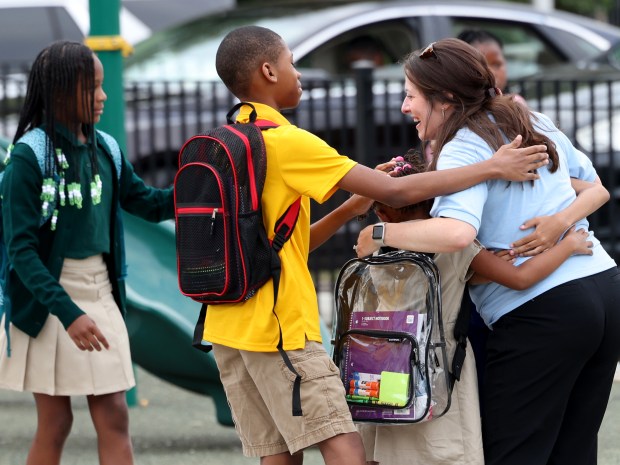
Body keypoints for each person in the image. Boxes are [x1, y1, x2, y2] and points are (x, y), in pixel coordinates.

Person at [204, 26, 549, 465]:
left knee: (279, 454)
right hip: (279, 330)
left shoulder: (229, 137)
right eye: (291, 63)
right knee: (346, 447)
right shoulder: (287, 141)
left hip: (226, 327)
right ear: (268, 71)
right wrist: (490, 167)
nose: (300, 74)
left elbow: (287, 247)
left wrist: (350, 210)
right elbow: (398, 192)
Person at [356, 38, 620, 465]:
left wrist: (381, 234)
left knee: (513, 453)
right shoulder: (529, 119)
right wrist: (560, 224)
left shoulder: (462, 146)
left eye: (410, 95)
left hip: (544, 312)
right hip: (605, 288)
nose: (404, 107)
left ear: (444, 99)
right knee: (573, 451)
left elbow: (458, 233)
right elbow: (593, 187)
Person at [354, 151, 604, 465]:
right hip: (442, 368)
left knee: (392, 448)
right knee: (444, 446)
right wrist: (568, 245)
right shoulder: (455, 248)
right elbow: (518, 277)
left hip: (385, 370)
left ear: (382, 214)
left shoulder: (372, 253)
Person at [0, 41, 174, 465]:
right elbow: (20, 251)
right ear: (60, 91)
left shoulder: (106, 149)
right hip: (47, 300)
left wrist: (203, 189)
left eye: (101, 85)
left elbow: (148, 203)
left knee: (114, 414)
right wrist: (68, 312)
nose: (103, 96)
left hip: (100, 293)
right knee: (56, 421)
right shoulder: (28, 157)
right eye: (92, 87)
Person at [457, 29, 527, 106]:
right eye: (481, 66)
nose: (492, 73)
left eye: (497, 64)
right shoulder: (455, 109)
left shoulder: (516, 105)